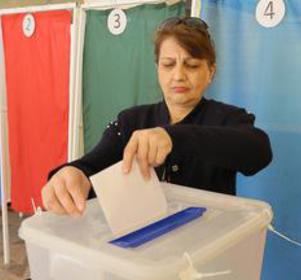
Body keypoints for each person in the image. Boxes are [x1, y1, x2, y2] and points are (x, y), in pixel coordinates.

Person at [41, 17, 272, 217]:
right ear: (157, 68)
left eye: (191, 65)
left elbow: (258, 152)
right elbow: (95, 162)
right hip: (146, 254)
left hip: (207, 252)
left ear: (210, 71)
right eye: (168, 64)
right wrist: (75, 173)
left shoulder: (228, 118)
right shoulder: (131, 121)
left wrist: (174, 136)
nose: (178, 75)